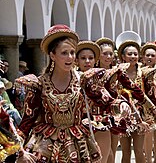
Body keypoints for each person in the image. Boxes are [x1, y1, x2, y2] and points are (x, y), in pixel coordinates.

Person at [14, 24, 103, 162]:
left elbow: (104, 101)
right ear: (52, 55)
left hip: (77, 144)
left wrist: (121, 105)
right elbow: (27, 120)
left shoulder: (84, 81)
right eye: (64, 53)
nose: (70, 57)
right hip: (45, 145)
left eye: (72, 52)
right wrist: (17, 149)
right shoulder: (39, 84)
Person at [117, 40, 156, 163]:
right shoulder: (117, 73)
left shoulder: (144, 72)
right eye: (129, 54)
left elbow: (149, 94)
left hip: (141, 115)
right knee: (126, 151)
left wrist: (154, 110)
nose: (133, 57)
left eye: (135, 54)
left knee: (139, 150)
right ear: (123, 56)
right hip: (123, 115)